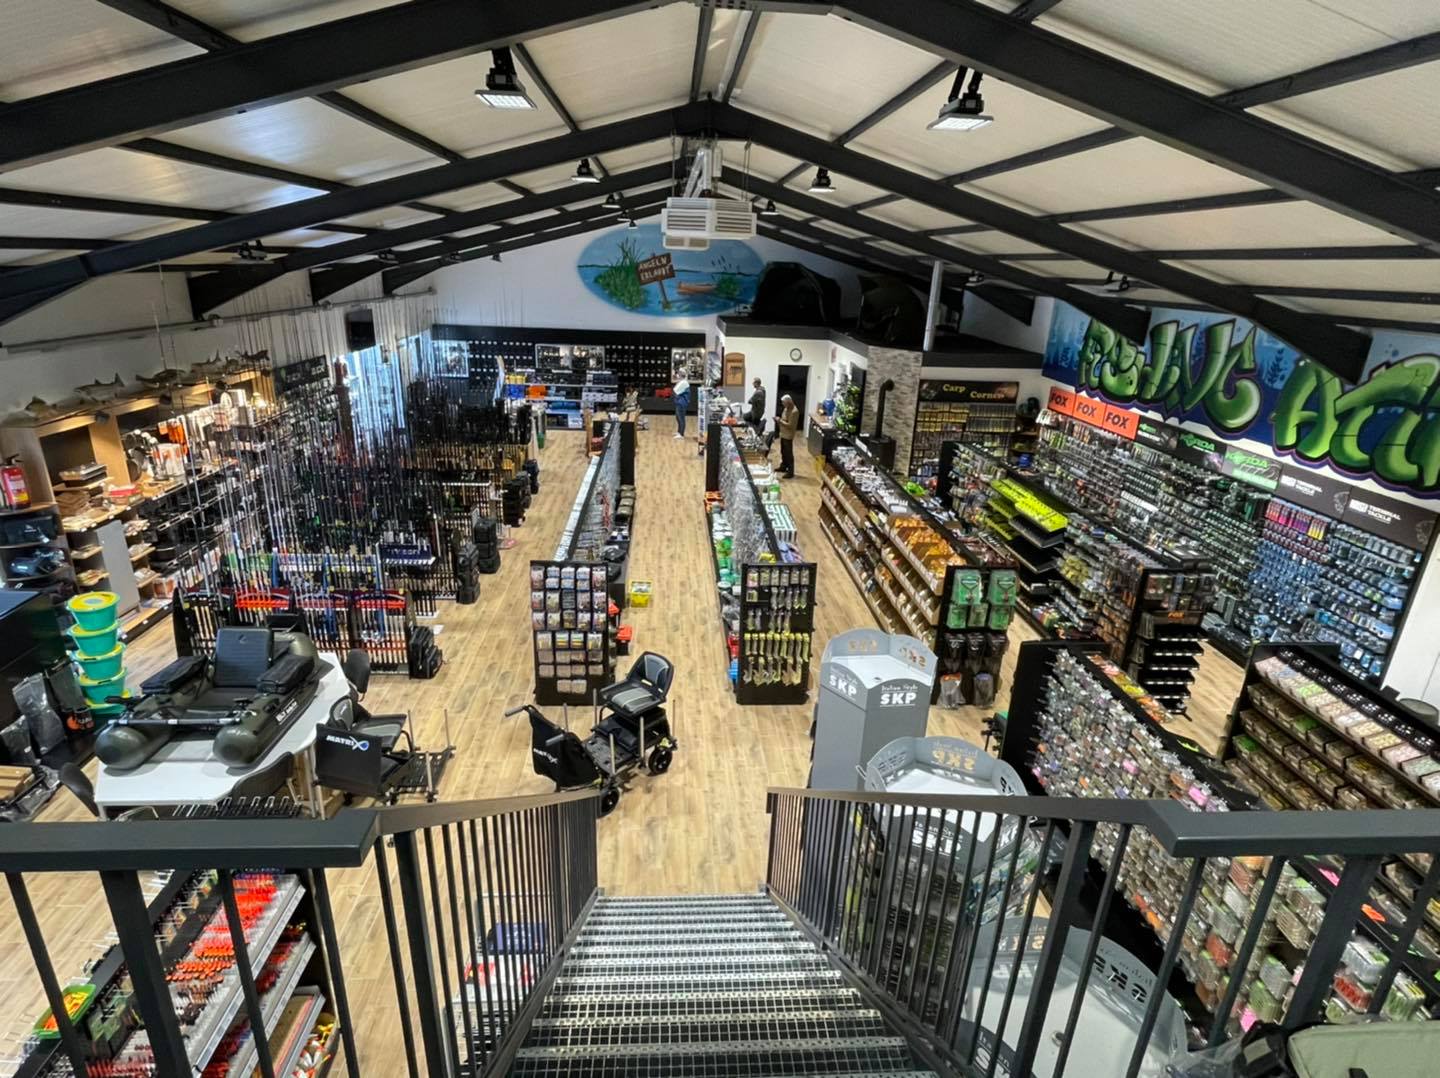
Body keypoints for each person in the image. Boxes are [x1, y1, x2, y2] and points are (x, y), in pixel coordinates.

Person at [777, 394, 799, 478]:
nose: (783, 405)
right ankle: (783, 466)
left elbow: (790, 425)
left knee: (788, 453)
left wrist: (780, 421)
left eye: (784, 403)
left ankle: (790, 471)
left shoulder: (794, 411)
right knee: (783, 451)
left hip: (788, 435)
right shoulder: (786, 408)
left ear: (789, 402)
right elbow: (784, 418)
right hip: (783, 433)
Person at [672, 374, 691, 439]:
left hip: (682, 403)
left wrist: (677, 397)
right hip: (680, 403)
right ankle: (679, 432)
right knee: (678, 417)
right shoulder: (682, 382)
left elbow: (675, 391)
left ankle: (681, 434)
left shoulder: (684, 383)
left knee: (681, 418)